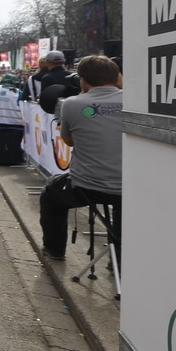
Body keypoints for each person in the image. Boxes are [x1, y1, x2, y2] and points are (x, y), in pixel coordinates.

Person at [39, 56, 123, 262]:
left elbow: (69, 142)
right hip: (130, 188)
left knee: (50, 193)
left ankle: (55, 250)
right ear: (117, 77)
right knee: (123, 206)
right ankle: (120, 259)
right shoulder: (136, 101)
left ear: (83, 80)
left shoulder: (72, 104)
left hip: (86, 187)